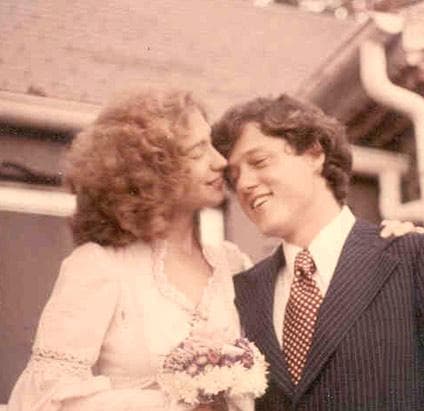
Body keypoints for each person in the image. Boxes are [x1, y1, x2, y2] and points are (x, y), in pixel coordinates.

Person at [211, 94, 424, 410]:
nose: (244, 184)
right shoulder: (241, 293)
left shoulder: (412, 256)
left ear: (314, 153)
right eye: (234, 177)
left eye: (259, 162)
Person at [7, 88, 252, 411]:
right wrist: (172, 406)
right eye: (197, 152)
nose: (220, 161)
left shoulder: (234, 264)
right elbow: (42, 400)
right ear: (152, 171)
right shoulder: (100, 265)